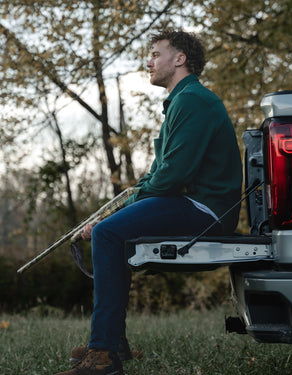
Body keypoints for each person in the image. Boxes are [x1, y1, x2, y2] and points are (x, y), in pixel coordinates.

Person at [55, 30, 243, 375]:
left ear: (179, 59)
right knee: (112, 230)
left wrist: (113, 219)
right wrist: (115, 211)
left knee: (109, 233)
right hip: (192, 203)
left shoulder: (194, 101)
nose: (149, 62)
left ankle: (104, 355)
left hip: (207, 211)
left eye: (156, 54)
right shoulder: (180, 102)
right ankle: (112, 342)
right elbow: (158, 174)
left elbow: (171, 178)